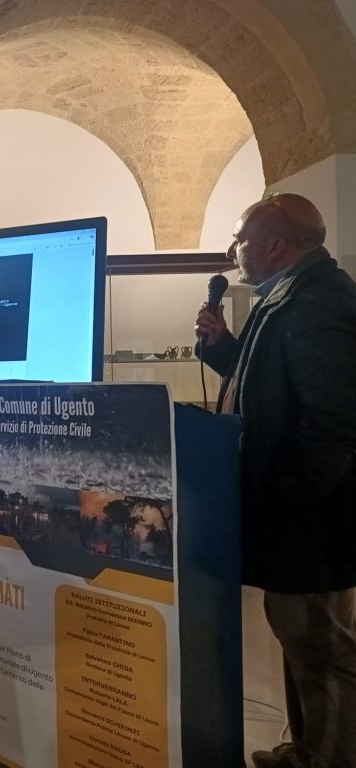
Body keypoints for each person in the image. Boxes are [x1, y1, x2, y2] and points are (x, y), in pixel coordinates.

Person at [195, 193, 356, 768]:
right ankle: (307, 750)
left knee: (322, 647)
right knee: (299, 639)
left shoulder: (318, 302)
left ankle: (330, 759)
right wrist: (224, 350)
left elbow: (333, 422)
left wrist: (286, 497)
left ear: (274, 244)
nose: (233, 251)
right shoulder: (290, 295)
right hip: (297, 518)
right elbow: (272, 385)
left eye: (239, 239)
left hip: (311, 523)